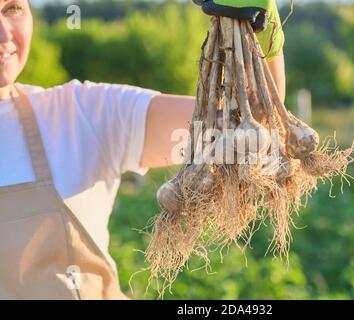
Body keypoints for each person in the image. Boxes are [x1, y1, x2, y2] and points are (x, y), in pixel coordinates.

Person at [0, 0, 285, 299]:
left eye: (12, 9)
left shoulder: (80, 114)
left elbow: (250, 124)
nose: (5, 35)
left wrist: (261, 26)